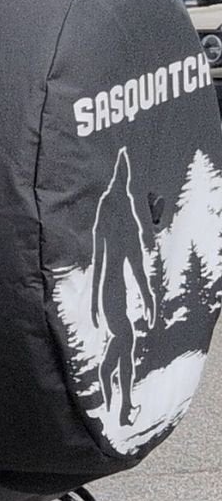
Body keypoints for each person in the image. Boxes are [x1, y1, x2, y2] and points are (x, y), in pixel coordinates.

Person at [89, 148, 156, 428]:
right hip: (114, 292)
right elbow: (136, 264)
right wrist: (148, 296)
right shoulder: (123, 214)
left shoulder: (108, 208)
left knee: (123, 342)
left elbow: (99, 258)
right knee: (126, 342)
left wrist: (94, 300)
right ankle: (124, 407)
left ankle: (107, 377)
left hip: (109, 291)